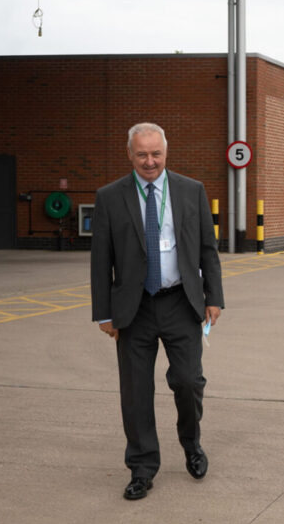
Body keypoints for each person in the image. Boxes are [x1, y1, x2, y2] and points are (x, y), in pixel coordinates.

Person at [91, 122, 224, 501]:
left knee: (187, 380)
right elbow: (101, 260)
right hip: (134, 309)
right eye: (142, 154)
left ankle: (192, 444)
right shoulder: (110, 197)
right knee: (135, 392)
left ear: (166, 152)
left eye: (156, 153)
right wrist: (104, 313)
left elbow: (206, 250)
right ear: (129, 154)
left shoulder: (190, 190)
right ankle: (142, 467)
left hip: (181, 302)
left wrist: (214, 296)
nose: (150, 161)